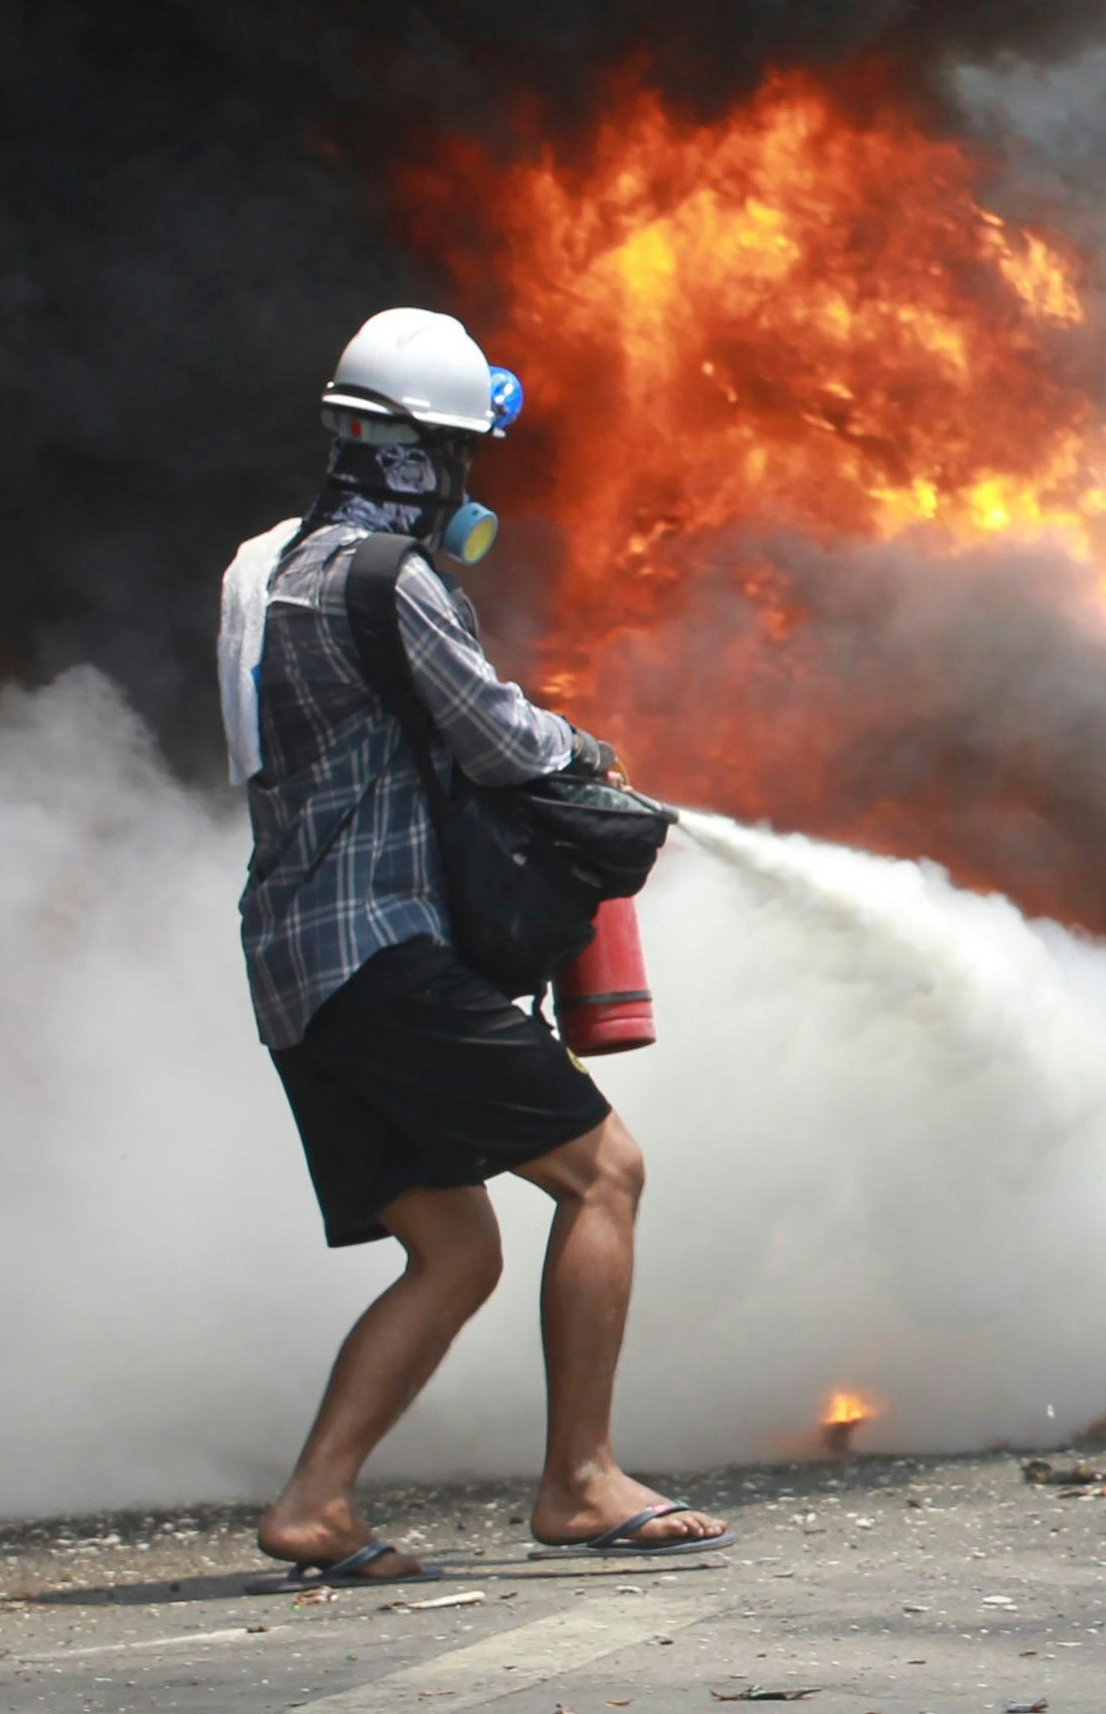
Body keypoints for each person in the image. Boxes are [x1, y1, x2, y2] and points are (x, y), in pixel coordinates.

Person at [219, 308, 729, 1585]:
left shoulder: (263, 568)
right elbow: (499, 738)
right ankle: (581, 1480)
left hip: (295, 968)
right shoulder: (390, 578)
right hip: (381, 950)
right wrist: (593, 755)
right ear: (417, 452)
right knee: (604, 1173)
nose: (463, 481)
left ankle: (315, 1504)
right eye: (457, 453)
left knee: (455, 1248)